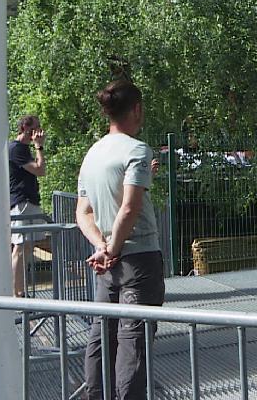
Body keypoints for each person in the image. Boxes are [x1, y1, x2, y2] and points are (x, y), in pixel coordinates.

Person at [75, 79, 165, 400]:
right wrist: (112, 248)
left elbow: (82, 213)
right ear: (137, 109)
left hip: (107, 269)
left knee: (101, 339)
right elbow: (128, 208)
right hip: (138, 262)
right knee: (134, 346)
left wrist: (101, 247)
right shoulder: (137, 150)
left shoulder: (93, 154)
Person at [8, 115, 47, 297]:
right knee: (21, 248)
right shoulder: (17, 149)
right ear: (25, 127)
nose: (39, 131)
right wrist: (39, 146)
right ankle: (17, 293)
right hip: (22, 202)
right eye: (36, 128)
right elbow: (40, 170)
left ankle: (20, 291)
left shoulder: (21, 148)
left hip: (28, 201)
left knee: (27, 247)